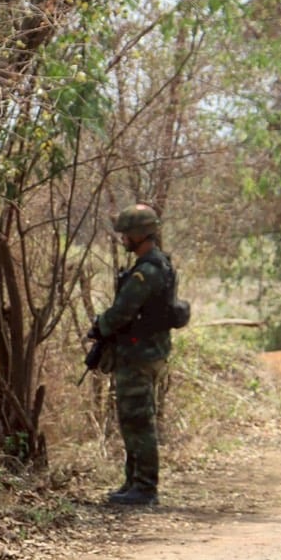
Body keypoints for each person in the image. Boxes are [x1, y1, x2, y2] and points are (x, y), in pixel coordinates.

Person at [91, 203, 175, 507]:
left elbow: (123, 311)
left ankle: (145, 487)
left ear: (140, 234)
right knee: (132, 418)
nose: (123, 238)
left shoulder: (147, 271)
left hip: (139, 354)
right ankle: (134, 482)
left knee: (138, 419)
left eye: (126, 233)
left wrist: (100, 325)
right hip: (146, 351)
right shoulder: (157, 265)